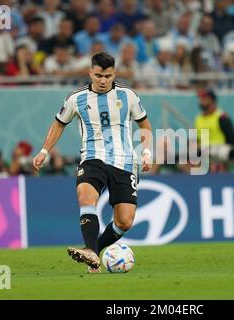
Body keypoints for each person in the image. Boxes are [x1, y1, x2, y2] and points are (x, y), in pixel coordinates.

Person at [32, 52, 153, 273]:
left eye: (107, 75)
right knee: (85, 197)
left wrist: (147, 152)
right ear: (91, 73)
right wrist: (44, 150)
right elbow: (59, 124)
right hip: (92, 157)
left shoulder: (128, 96)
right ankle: (89, 248)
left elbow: (144, 126)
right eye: (98, 75)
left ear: (114, 73)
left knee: (124, 221)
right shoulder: (76, 99)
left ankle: (93, 253)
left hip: (125, 162)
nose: (103, 80)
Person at [194, 89, 234, 163]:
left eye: (204, 98)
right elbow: (197, 139)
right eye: (200, 98)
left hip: (220, 153)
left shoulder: (221, 117)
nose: (200, 100)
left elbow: (231, 138)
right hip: (204, 154)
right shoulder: (198, 119)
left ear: (211, 100)